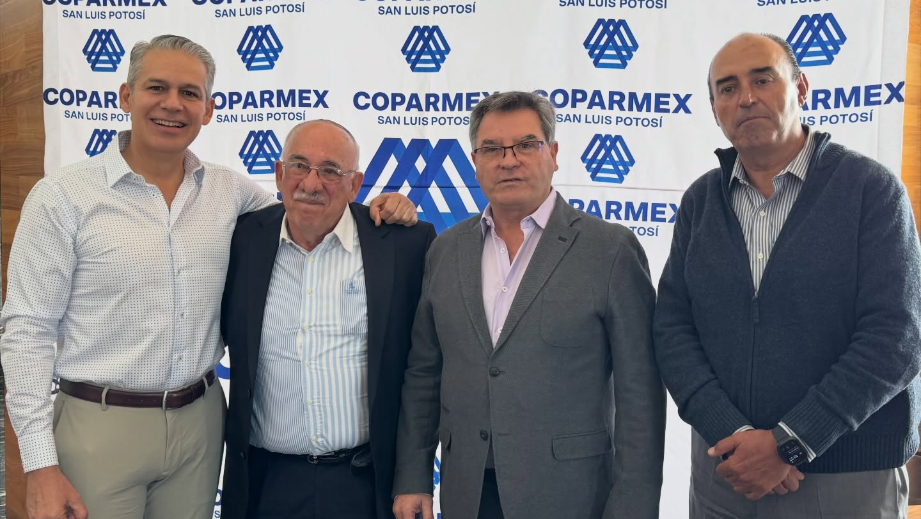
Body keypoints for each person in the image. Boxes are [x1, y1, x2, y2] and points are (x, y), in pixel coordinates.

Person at [0, 35, 415, 519]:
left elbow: (309, 208)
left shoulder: (230, 191)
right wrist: (39, 464)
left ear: (209, 109)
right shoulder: (62, 197)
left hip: (200, 426)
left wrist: (382, 209)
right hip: (99, 424)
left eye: (190, 93)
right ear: (126, 96)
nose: (173, 104)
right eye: (157, 87)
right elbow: (26, 331)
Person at [654, 32, 921, 519]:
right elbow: (673, 329)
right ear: (714, 110)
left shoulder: (871, 190)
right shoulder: (700, 202)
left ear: (800, 88)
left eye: (762, 80)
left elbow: (896, 337)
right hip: (727, 473)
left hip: (846, 474)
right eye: (728, 88)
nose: (746, 98)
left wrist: (792, 442)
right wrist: (733, 434)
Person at [392, 90, 666, 519]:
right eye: (492, 149)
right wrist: (413, 477)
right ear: (475, 161)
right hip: (467, 492)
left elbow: (641, 394)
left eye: (525, 145)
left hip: (571, 495)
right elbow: (424, 373)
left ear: (553, 154)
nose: (509, 160)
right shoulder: (446, 250)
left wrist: (633, 507)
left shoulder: (610, 250)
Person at [220, 119, 435, 519]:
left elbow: (426, 369)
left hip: (365, 482)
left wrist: (414, 475)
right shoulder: (241, 238)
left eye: (331, 171)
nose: (311, 183)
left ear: (356, 184)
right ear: (279, 174)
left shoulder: (404, 244)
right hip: (265, 483)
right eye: (299, 166)